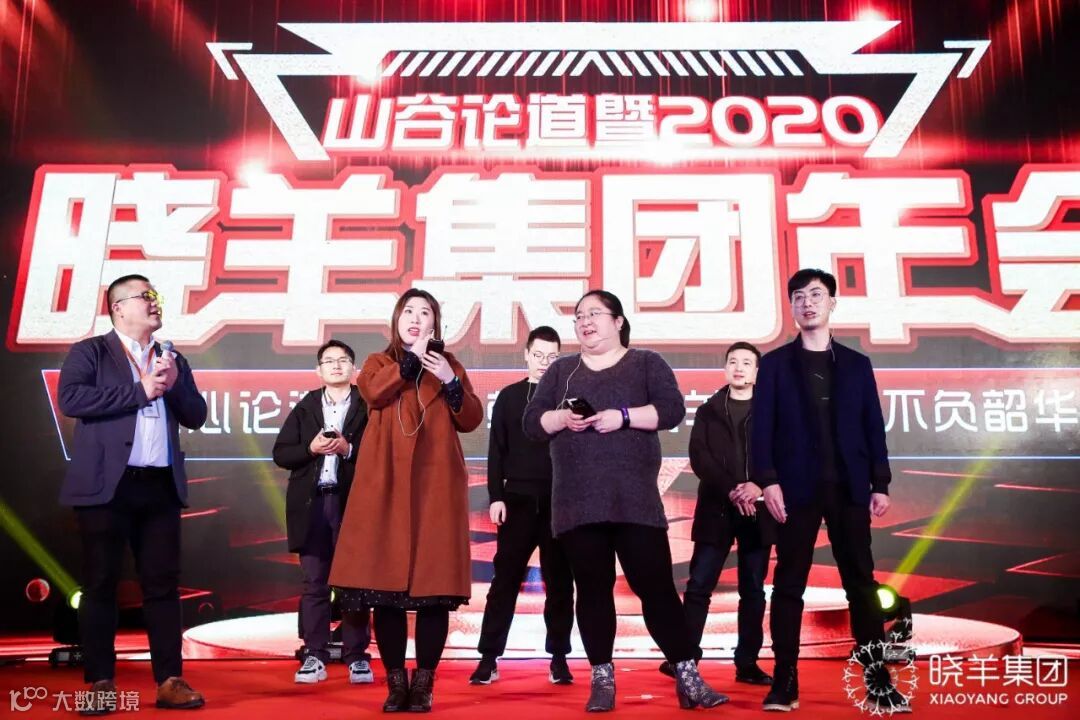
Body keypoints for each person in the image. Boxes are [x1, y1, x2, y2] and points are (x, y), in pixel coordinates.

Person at [523, 290, 727, 713]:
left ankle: (688, 676)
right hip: (578, 503)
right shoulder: (561, 370)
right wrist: (562, 417)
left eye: (594, 313)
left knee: (657, 590)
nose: (585, 321)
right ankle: (602, 679)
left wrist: (624, 416)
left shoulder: (646, 362)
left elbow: (671, 409)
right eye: (579, 316)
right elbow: (532, 422)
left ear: (618, 321)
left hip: (634, 501)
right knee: (592, 592)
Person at [751, 268, 908, 713]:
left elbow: (872, 425)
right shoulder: (775, 364)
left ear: (832, 303)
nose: (807, 303)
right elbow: (761, 429)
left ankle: (878, 682)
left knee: (861, 584)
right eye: (799, 297)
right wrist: (768, 480)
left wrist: (880, 482)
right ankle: (784, 681)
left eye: (816, 295)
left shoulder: (856, 364)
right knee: (788, 586)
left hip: (848, 486)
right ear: (791, 306)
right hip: (794, 489)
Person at [58, 274, 208, 715]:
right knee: (100, 584)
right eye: (146, 296)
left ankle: (170, 680)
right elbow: (72, 399)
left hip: (159, 485)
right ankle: (101, 681)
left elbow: (196, 415)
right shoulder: (91, 351)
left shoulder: (171, 356)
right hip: (107, 486)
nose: (155, 302)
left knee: (162, 585)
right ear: (118, 308)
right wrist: (139, 390)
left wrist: (174, 383)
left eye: (155, 295)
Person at [329, 289, 484, 713]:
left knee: (435, 590)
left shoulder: (449, 365)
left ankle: (425, 682)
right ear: (397, 320)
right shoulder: (379, 363)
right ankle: (396, 682)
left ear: (436, 323)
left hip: (436, 486)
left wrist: (450, 381)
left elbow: (471, 418)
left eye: (425, 313)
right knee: (385, 593)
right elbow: (373, 393)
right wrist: (410, 361)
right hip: (386, 484)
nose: (416, 318)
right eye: (409, 312)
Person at [659, 341, 775, 686]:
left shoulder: (772, 411)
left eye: (746, 363)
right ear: (725, 368)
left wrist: (757, 485)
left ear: (757, 371)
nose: (739, 368)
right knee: (699, 586)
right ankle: (684, 659)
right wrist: (732, 489)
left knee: (753, 590)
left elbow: (783, 453)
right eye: (733, 362)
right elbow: (700, 457)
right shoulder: (709, 410)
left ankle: (747, 663)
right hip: (716, 508)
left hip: (757, 509)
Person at [470, 326, 575, 686]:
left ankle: (559, 657)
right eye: (539, 355)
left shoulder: (569, 399)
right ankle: (488, 657)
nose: (545, 362)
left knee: (560, 583)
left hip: (560, 503)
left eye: (552, 356)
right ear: (527, 355)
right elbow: (496, 450)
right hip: (516, 500)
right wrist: (496, 496)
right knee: (505, 581)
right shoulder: (509, 397)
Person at [273, 339, 374, 685]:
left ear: (354, 368)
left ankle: (356, 656)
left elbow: (382, 454)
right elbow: (281, 454)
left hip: (353, 504)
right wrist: (311, 448)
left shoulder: (367, 405)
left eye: (342, 360)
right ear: (318, 370)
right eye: (328, 361)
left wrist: (349, 449)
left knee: (354, 583)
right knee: (314, 582)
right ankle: (314, 653)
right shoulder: (306, 407)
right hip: (313, 504)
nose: (336, 365)